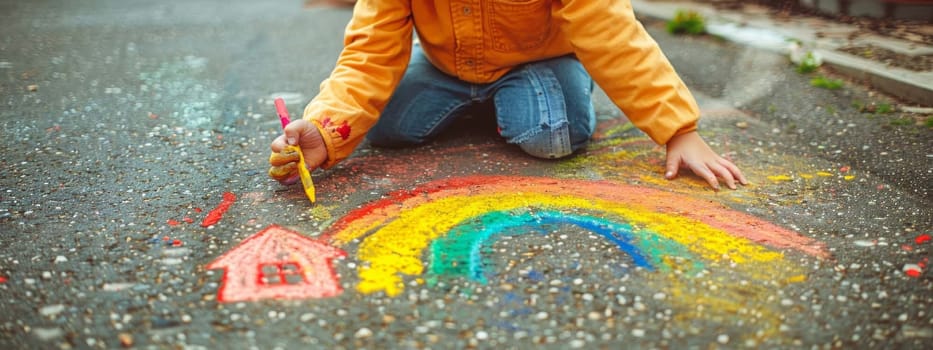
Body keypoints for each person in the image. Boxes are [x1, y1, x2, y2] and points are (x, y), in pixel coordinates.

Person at [270, 0, 747, 191]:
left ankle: (563, 80)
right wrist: (328, 128)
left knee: (552, 136)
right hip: (447, 65)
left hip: (537, 60)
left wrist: (678, 129)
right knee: (384, 129)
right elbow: (369, 54)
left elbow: (614, 33)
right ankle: (483, 105)